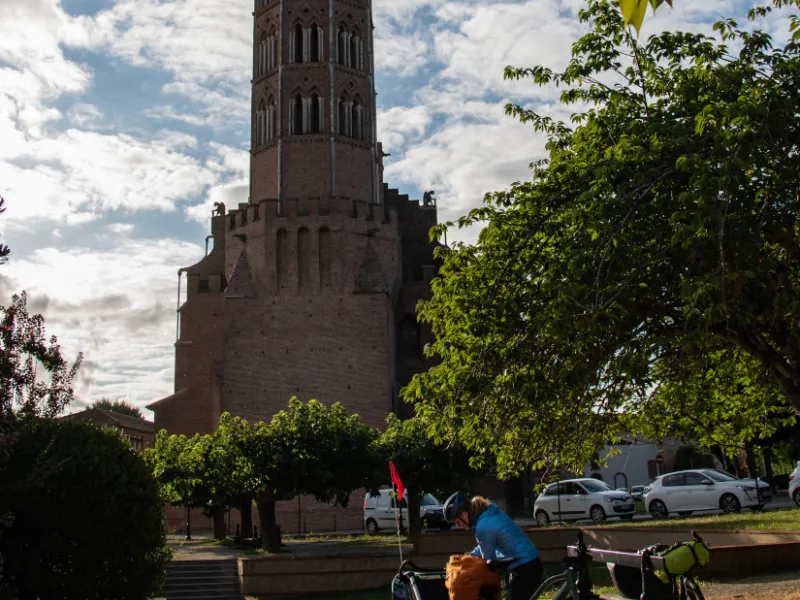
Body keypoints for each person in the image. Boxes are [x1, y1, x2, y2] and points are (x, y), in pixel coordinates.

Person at [443, 492, 543, 600]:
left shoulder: (483, 526)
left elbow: (487, 558)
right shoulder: (488, 512)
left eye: (457, 522)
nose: (458, 526)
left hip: (525, 568)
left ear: (464, 513)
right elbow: (485, 544)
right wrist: (471, 555)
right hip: (527, 563)